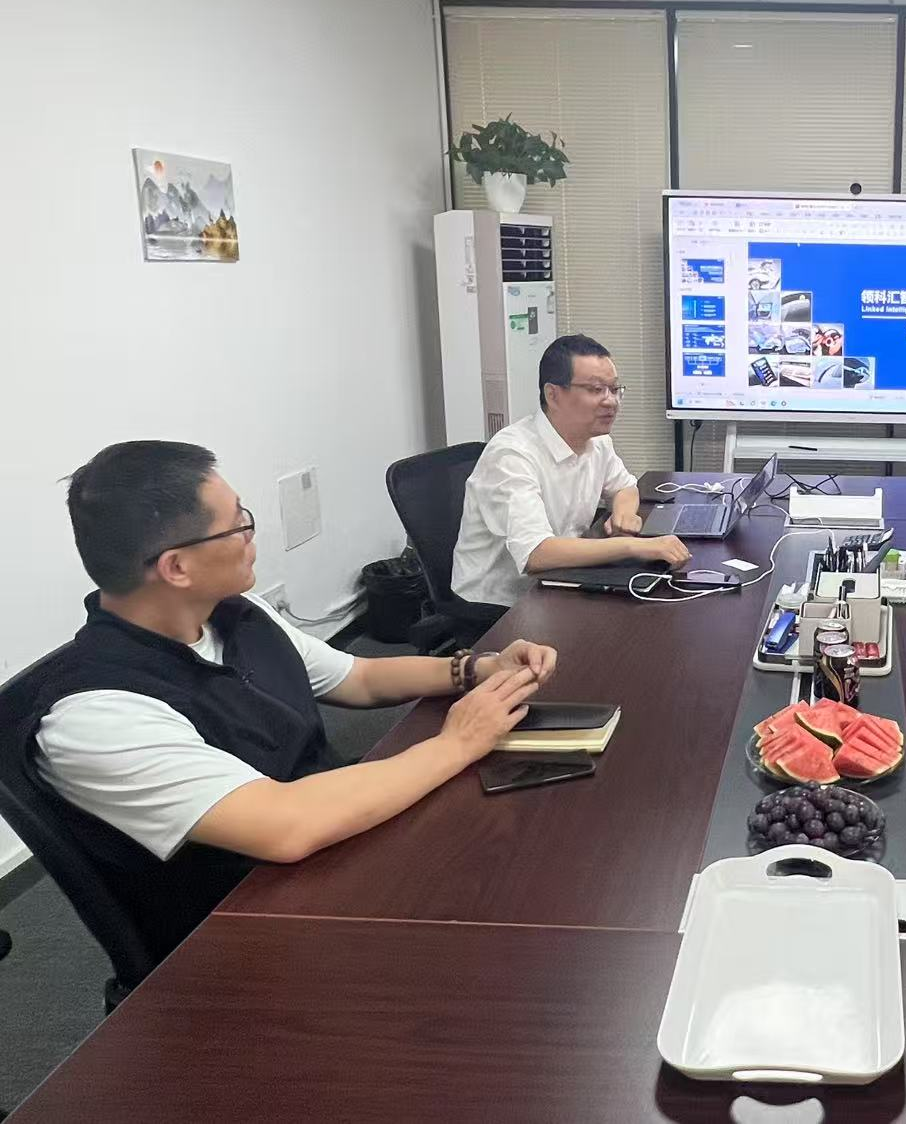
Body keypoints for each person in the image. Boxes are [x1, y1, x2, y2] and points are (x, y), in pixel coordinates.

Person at [1, 440, 559, 965]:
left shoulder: (231, 613)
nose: (252, 536)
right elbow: (285, 825)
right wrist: (457, 743)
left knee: (532, 847)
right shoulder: (96, 715)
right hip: (255, 928)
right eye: (238, 525)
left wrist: (475, 668)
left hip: (337, 846)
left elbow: (360, 676)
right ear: (177, 567)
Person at [452, 333, 689, 607]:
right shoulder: (512, 454)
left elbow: (624, 486)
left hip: (561, 582)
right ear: (553, 395)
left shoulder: (597, 441)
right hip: (500, 605)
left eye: (614, 389)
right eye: (596, 389)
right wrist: (635, 546)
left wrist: (623, 514)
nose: (611, 401)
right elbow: (536, 553)